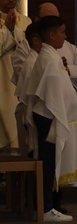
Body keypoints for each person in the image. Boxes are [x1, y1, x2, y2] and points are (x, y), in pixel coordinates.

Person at [20, 15, 77, 222]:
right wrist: (61, 116)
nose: (64, 37)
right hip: (49, 117)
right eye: (62, 32)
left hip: (49, 116)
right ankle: (46, 208)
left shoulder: (51, 55)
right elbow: (51, 94)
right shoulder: (49, 58)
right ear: (51, 35)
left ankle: (47, 205)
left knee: (50, 162)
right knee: (48, 163)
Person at [11, 2, 77, 91]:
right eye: (50, 20)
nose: (55, 24)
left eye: (57, 20)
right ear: (37, 20)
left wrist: (68, 69)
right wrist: (58, 68)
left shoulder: (68, 47)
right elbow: (25, 79)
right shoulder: (26, 47)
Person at [0, 0, 31, 150]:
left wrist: (11, 31)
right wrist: (7, 30)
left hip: (19, 81)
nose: (11, 0)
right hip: (1, 80)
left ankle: (16, 165)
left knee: (16, 122)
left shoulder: (26, 22)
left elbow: (28, 47)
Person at [14, 22, 42, 157]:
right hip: (33, 114)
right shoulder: (32, 63)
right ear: (36, 40)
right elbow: (30, 97)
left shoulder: (38, 60)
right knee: (35, 159)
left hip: (35, 112)